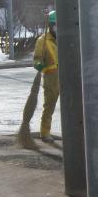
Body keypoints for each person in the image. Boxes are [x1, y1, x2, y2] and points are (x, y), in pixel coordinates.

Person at [33, 10, 58, 142]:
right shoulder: (42, 41)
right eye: (55, 26)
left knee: (71, 106)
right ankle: (45, 132)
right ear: (50, 26)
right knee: (49, 106)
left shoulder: (66, 39)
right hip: (51, 77)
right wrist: (40, 65)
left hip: (66, 77)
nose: (57, 29)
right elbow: (36, 59)